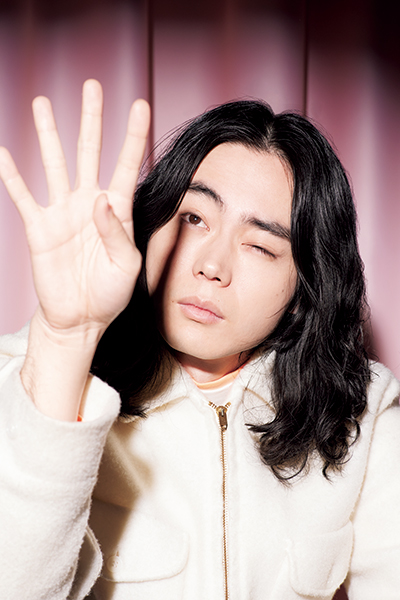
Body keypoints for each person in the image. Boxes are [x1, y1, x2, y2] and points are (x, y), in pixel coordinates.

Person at [0, 79, 399, 600]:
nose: (212, 265)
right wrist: (67, 340)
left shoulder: (362, 408)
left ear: (305, 288)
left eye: (260, 246)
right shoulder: (37, 378)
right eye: (193, 219)